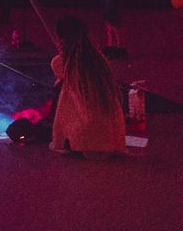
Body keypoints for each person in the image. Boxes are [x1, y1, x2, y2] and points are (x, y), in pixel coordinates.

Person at [49, 16, 127, 158]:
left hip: (85, 137)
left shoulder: (60, 63)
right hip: (111, 137)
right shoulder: (100, 61)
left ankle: (67, 138)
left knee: (62, 94)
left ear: (62, 39)